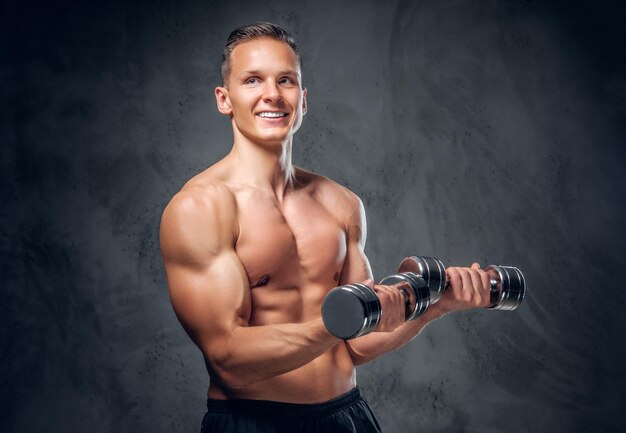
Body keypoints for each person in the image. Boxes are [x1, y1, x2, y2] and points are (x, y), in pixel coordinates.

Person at [159, 21, 493, 433]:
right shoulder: (201, 208)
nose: (272, 94)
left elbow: (356, 343)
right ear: (224, 99)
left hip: (347, 417)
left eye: (286, 80)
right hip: (255, 422)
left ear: (303, 100)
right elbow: (228, 359)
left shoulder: (341, 203)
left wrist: (434, 307)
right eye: (252, 80)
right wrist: (336, 322)